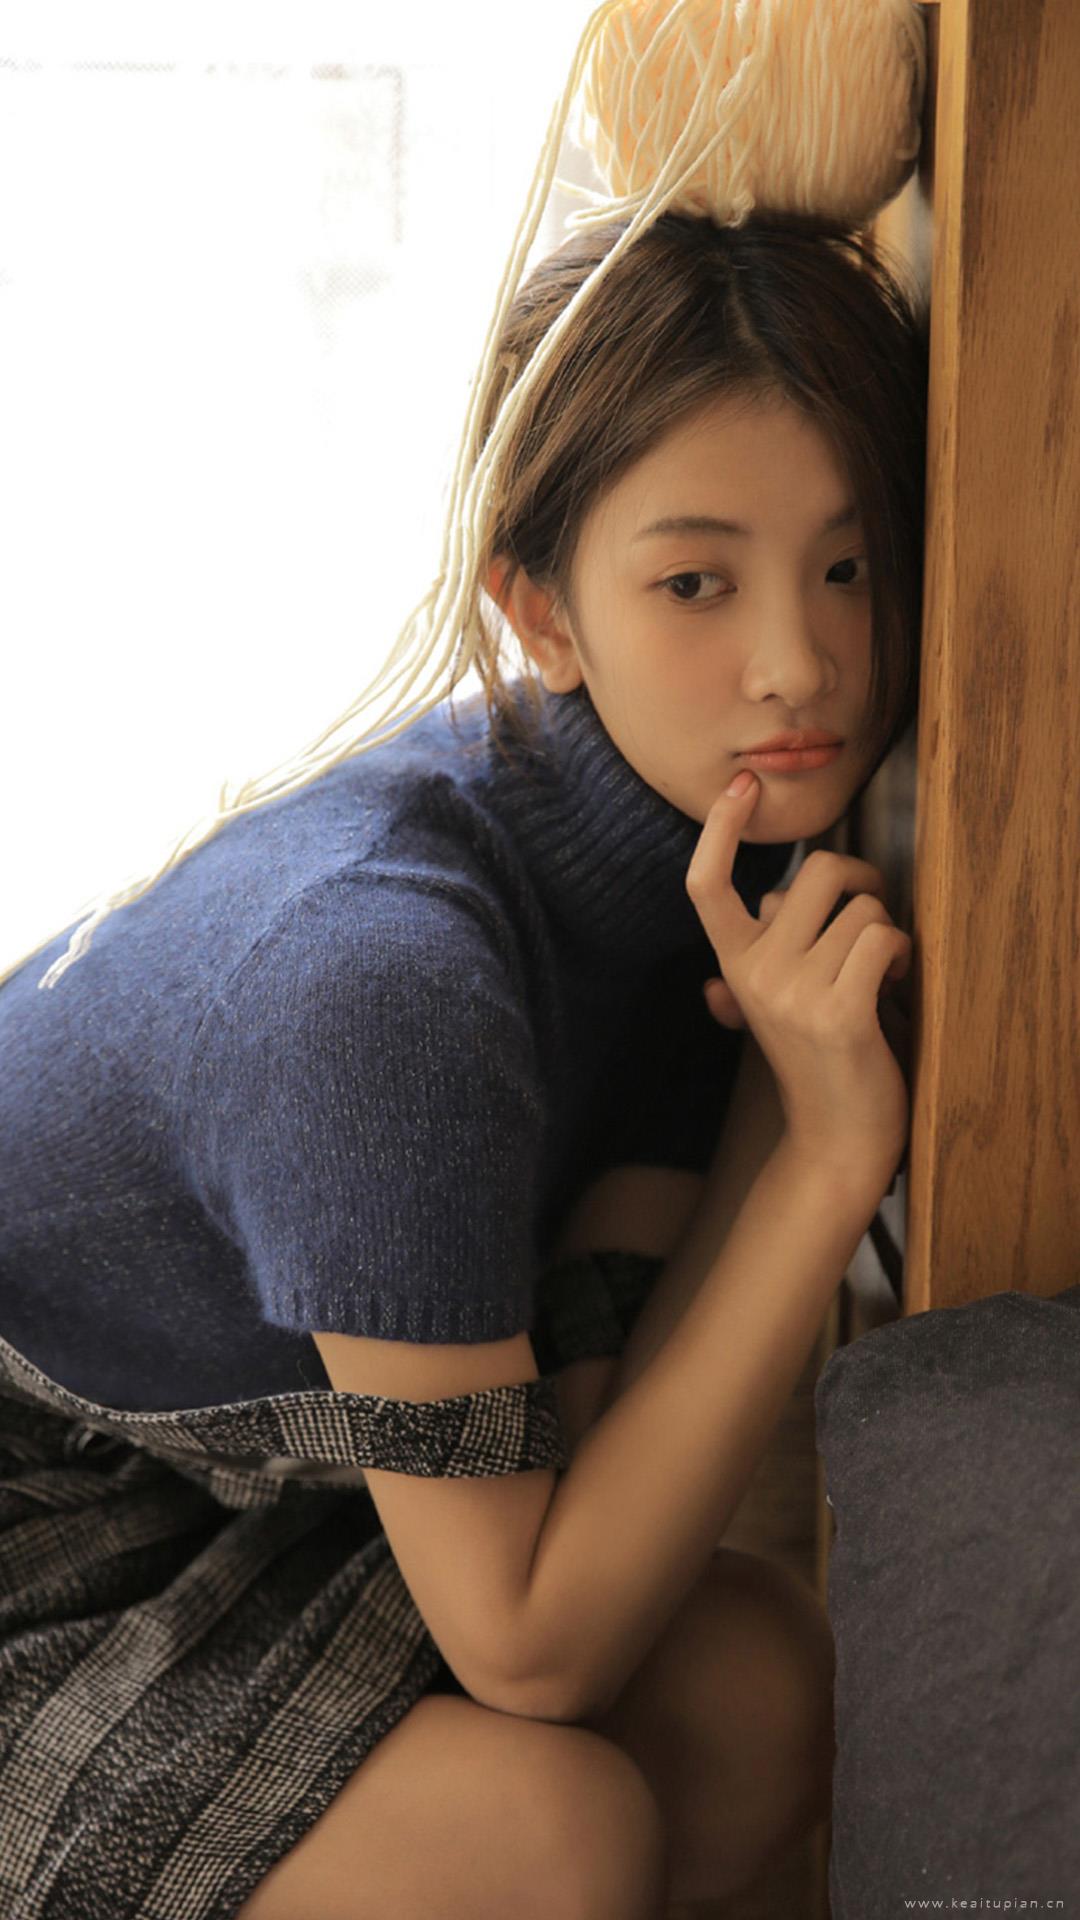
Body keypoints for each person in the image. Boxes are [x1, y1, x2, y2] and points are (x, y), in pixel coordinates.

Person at [0, 31, 928, 1920]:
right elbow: (535, 1648)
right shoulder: (386, 987)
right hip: (42, 1537)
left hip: (246, 1514)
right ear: (537, 611)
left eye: (849, 568)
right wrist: (822, 1147)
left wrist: (774, 1098)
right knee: (549, 1832)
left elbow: (596, 1430)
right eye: (697, 582)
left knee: (760, 1687)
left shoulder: (707, 873)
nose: (799, 664)